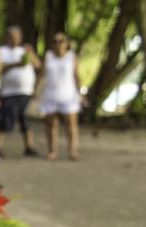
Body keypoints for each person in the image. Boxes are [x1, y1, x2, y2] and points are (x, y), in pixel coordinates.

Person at [0, 25, 40, 157]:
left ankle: (29, 146)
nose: (15, 40)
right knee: (5, 118)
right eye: (12, 37)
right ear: (7, 38)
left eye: (17, 37)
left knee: (25, 119)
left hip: (25, 91)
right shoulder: (0, 51)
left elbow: (38, 65)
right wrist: (16, 64)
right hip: (8, 92)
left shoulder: (24, 51)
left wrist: (30, 54)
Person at [40, 32, 82, 160]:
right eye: (55, 41)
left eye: (61, 41)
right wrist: (36, 91)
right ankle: (52, 151)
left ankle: (72, 151)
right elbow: (42, 75)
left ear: (66, 43)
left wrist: (81, 92)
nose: (58, 44)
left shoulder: (71, 57)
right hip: (50, 94)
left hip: (68, 94)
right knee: (51, 124)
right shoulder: (48, 56)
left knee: (71, 124)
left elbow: (76, 75)